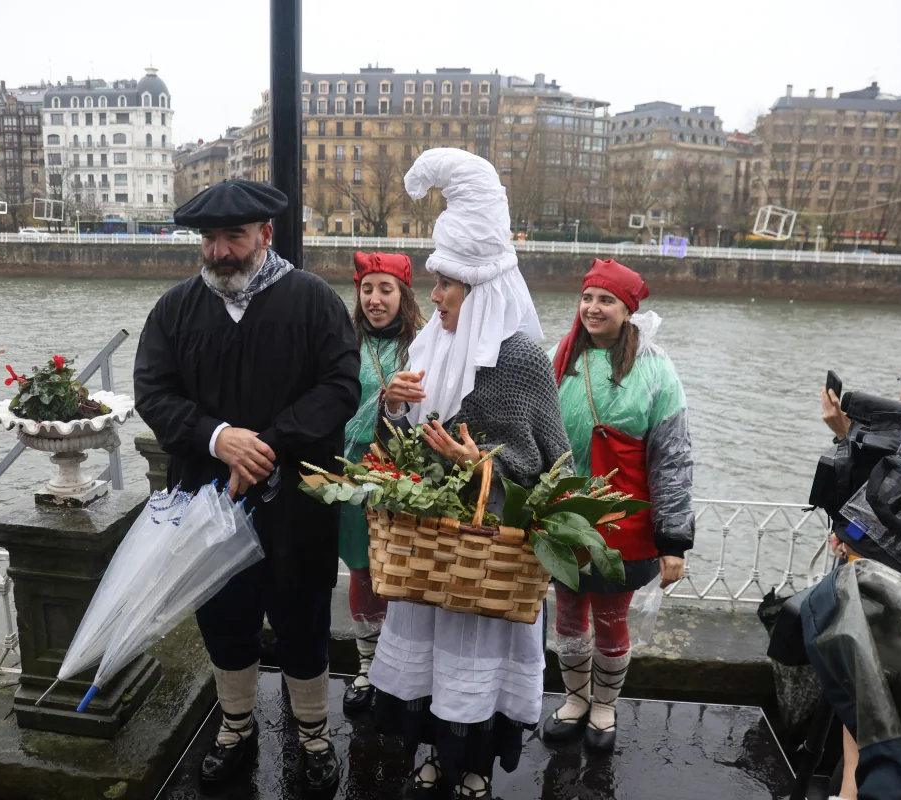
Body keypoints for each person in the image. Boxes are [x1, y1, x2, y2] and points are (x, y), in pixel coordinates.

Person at [133, 179, 360, 792]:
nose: (220, 252)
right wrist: (217, 438)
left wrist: (268, 443)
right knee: (222, 614)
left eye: (234, 237)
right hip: (210, 498)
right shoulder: (176, 310)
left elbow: (341, 386)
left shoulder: (313, 302)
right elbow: (152, 392)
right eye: (209, 239)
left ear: (265, 234)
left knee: (303, 613)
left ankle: (312, 731)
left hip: (297, 499)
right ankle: (236, 724)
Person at [368, 148, 572, 800]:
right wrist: (391, 407)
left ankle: (475, 769)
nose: (434, 296)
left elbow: (555, 474)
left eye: (446, 285)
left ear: (479, 291)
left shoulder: (522, 361)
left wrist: (480, 464)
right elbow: (397, 449)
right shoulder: (427, 347)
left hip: (490, 559)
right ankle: (433, 759)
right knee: (429, 669)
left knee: (476, 676)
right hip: (432, 555)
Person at [543, 259, 695, 751]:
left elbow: (672, 458)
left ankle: (604, 707)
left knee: (611, 619)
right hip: (564, 517)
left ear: (627, 310)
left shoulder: (656, 370)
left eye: (605, 300)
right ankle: (574, 698)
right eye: (587, 298)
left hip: (625, 521)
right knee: (567, 614)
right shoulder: (556, 361)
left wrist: (673, 540)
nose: (592, 308)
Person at [340, 250, 425, 714]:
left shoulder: (425, 343)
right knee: (361, 569)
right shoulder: (343, 342)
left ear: (403, 294)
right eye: (367, 289)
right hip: (352, 470)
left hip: (406, 473)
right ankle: (366, 666)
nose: (374, 299)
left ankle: (402, 666)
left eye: (385, 289)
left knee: (402, 572)